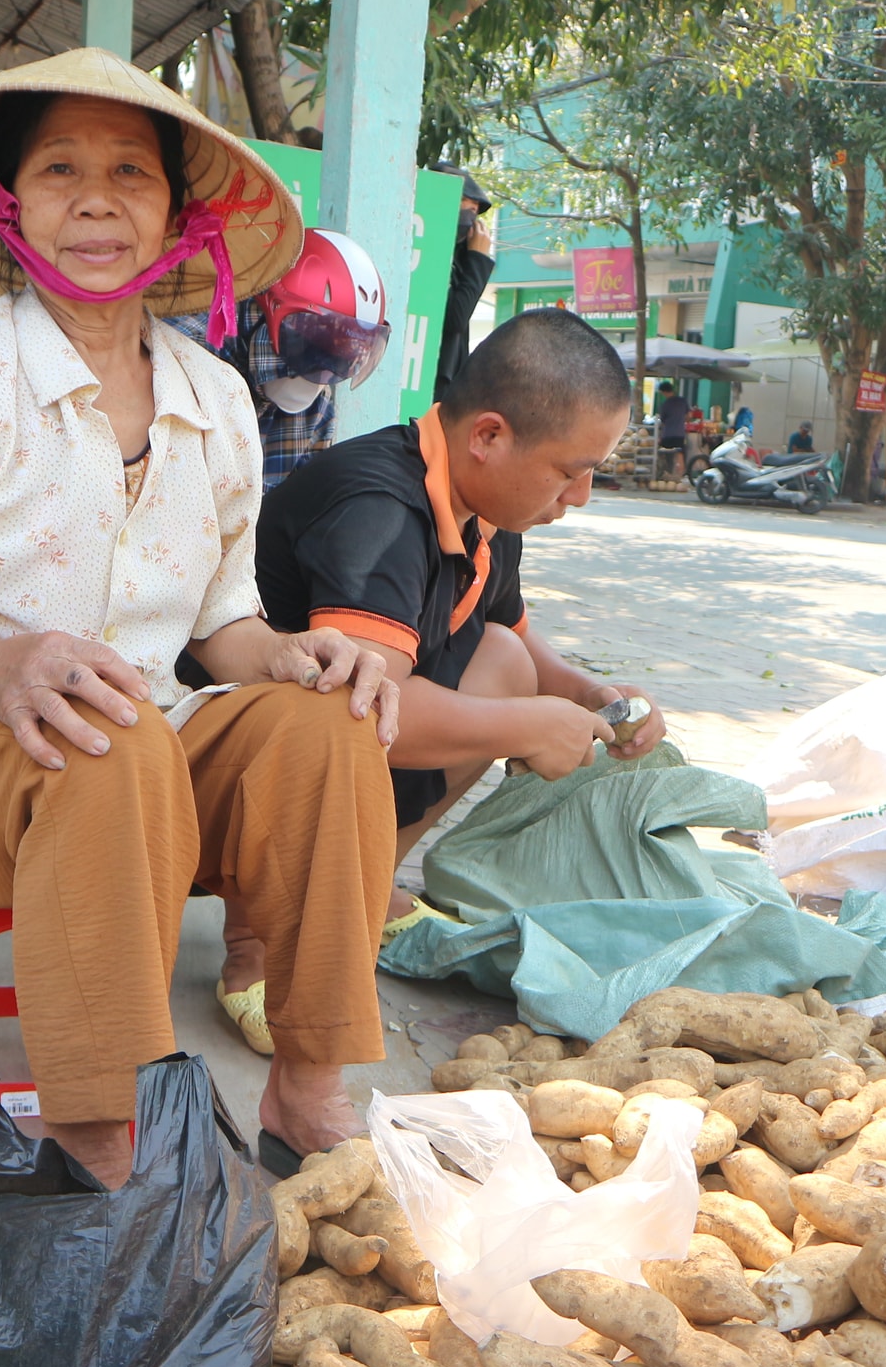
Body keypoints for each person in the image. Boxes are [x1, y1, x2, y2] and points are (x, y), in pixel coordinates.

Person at [0, 47, 400, 1186]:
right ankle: (100, 1139)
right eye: (58, 169)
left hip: (145, 748)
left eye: (130, 172)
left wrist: (299, 654)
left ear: (180, 217)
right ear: (5, 202)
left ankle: (308, 1086)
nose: (96, 200)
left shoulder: (217, 398)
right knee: (109, 735)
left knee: (329, 728)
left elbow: (224, 626)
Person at [228, 307, 671, 1002]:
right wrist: (530, 727)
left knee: (507, 663)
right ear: (488, 436)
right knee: (468, 708)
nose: (581, 497)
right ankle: (254, 946)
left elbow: (515, 636)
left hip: (337, 747)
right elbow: (359, 707)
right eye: (570, 471)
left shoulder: (491, 509)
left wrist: (588, 694)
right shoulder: (378, 509)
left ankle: (369, 890)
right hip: (242, 760)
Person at [171, 227, 391, 489]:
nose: (322, 371)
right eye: (314, 348)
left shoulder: (317, 413)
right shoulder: (189, 355)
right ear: (271, 308)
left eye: (339, 359)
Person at [432, 165, 497, 403]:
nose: (471, 217)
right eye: (462, 202)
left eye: (474, 211)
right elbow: (455, 318)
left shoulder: (458, 257)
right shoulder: (428, 250)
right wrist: (477, 261)